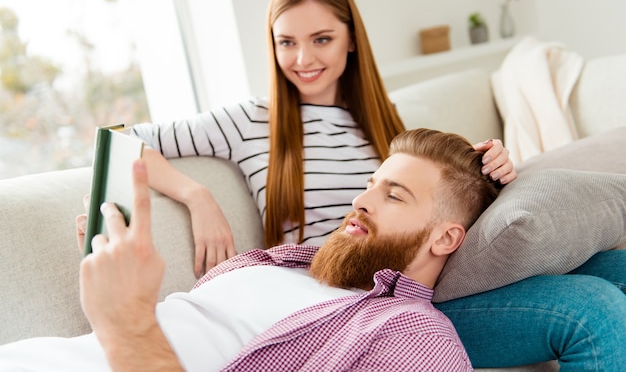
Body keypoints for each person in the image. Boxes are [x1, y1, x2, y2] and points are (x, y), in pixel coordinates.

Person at [90, 0, 626, 371]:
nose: (303, 58)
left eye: (321, 39)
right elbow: (116, 140)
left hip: (425, 283)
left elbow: (437, 204)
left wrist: (492, 169)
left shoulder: (383, 120)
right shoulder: (252, 120)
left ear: (351, 38)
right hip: (353, 308)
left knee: (615, 268)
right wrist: (195, 196)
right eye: (287, 41)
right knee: (592, 308)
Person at [0, 128, 500, 371]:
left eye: (394, 195)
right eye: (371, 183)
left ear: (446, 237)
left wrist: (127, 325)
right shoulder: (285, 260)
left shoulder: (411, 338)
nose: (361, 201)